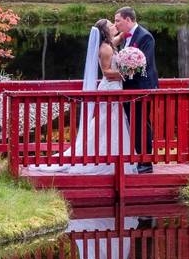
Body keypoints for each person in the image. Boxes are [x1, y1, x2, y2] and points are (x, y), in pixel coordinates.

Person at [41, 19, 135, 175]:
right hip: (110, 88)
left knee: (110, 122)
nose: (114, 26)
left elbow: (119, 38)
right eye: (111, 25)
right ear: (105, 31)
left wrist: (129, 28)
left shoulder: (110, 44)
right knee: (108, 121)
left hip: (115, 87)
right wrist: (126, 74)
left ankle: (112, 157)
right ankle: (103, 159)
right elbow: (106, 72)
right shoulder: (105, 49)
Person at [113, 7, 158, 174]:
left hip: (142, 88)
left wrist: (124, 69)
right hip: (129, 89)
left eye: (118, 20)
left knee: (141, 123)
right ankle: (138, 158)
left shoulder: (145, 36)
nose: (116, 24)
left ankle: (146, 161)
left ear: (129, 20)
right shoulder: (124, 37)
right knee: (133, 124)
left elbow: (143, 65)